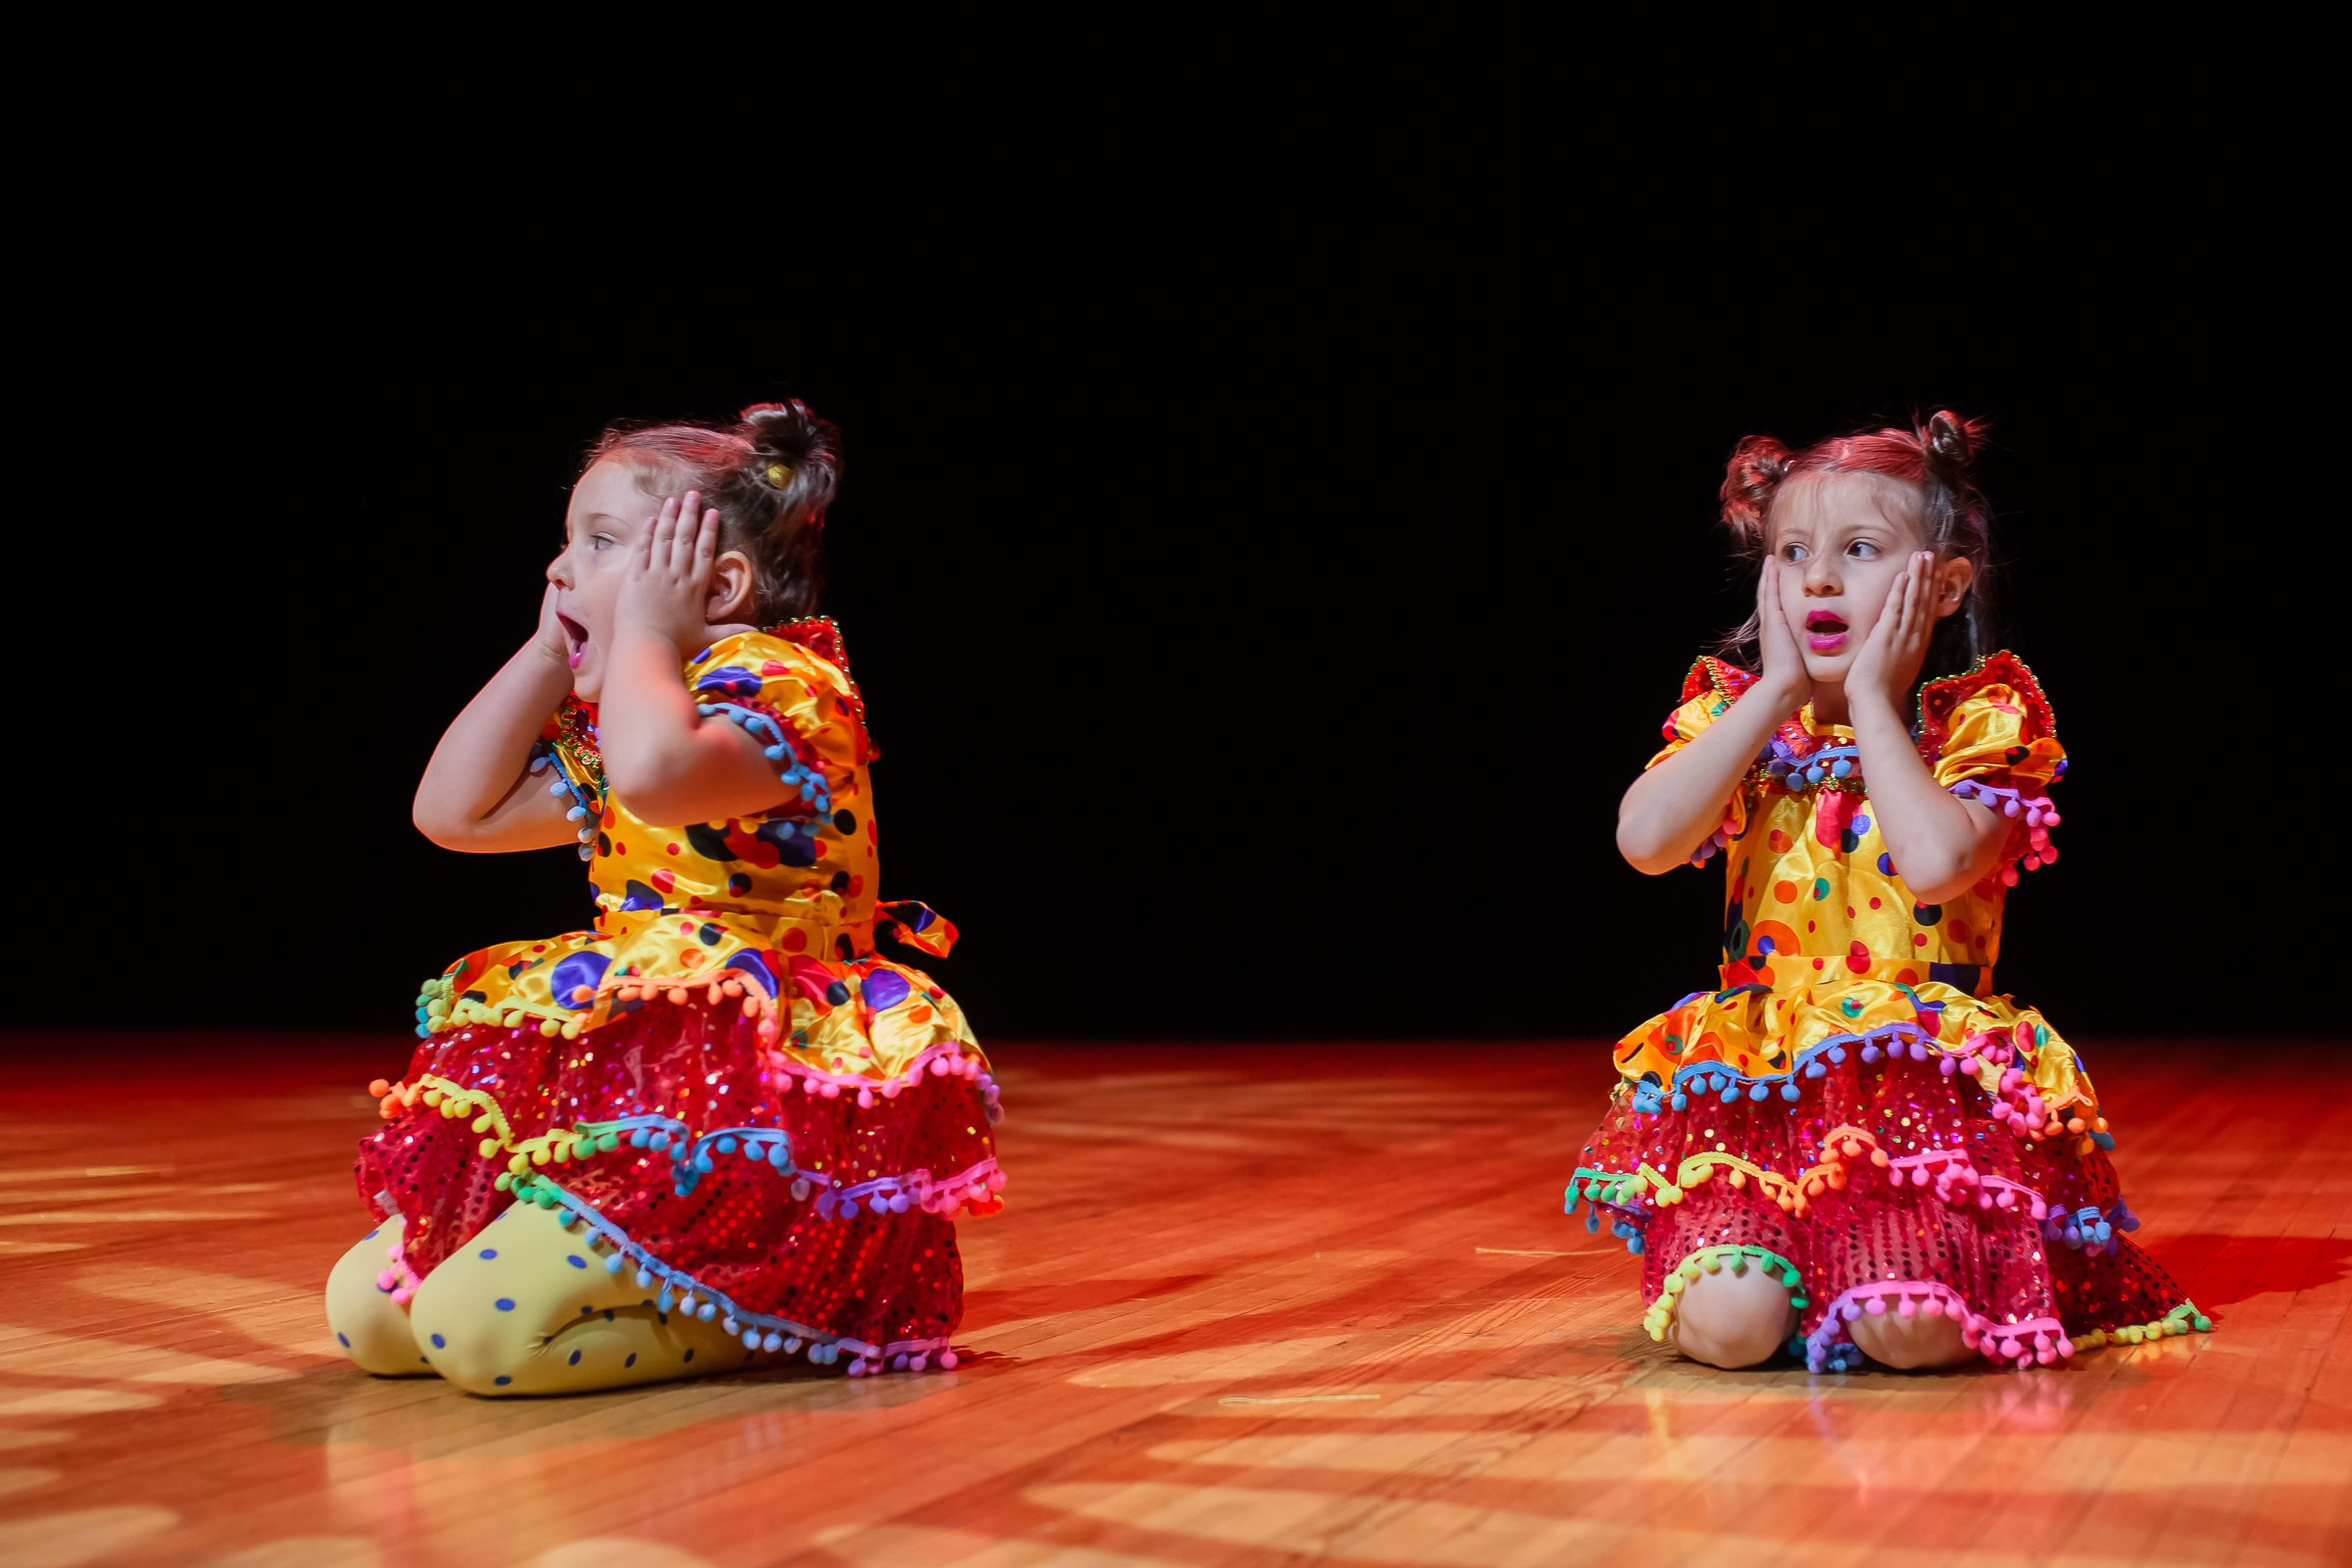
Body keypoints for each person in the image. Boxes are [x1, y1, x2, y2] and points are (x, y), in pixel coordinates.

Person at [326, 401, 1002, 1394]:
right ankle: (636, 1280)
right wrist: (556, 645)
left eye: (599, 542)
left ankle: (787, 1312)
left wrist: (637, 627)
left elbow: (655, 774)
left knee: (479, 1338)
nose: (560, 566)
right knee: (369, 1317)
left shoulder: (785, 688)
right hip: (639, 1095)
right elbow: (450, 812)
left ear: (718, 582)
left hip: (748, 1113)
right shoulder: (641, 709)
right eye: (565, 542)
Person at [1569, 412, 2206, 1371]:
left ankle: (1875, 1273)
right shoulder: (1735, 716)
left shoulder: (1981, 717)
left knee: (1911, 1332)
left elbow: (1938, 863)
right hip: (1767, 1095)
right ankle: (1798, 1272)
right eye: (1792, 552)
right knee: (1732, 1328)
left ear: (1943, 585)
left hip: (1922, 1105)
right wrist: (1775, 695)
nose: (1817, 577)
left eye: (1859, 550)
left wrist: (1872, 700)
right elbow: (1647, 843)